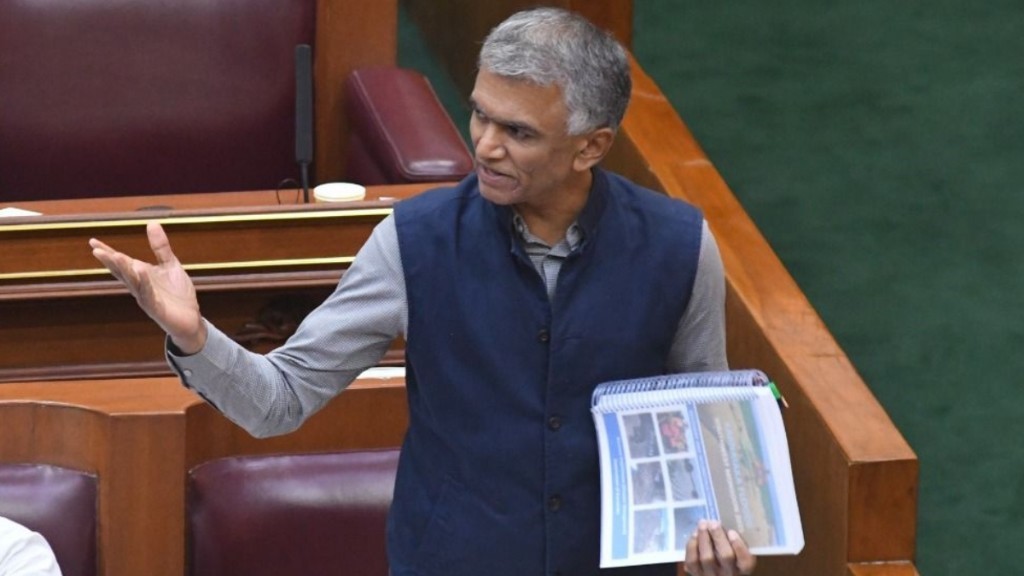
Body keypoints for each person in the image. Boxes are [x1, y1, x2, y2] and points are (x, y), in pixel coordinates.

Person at [89, 7, 756, 576]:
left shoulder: (679, 246)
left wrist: (727, 538)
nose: (485, 147)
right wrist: (194, 338)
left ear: (592, 147)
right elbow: (279, 402)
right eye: (480, 116)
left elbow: (711, 423)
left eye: (518, 132)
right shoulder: (413, 242)